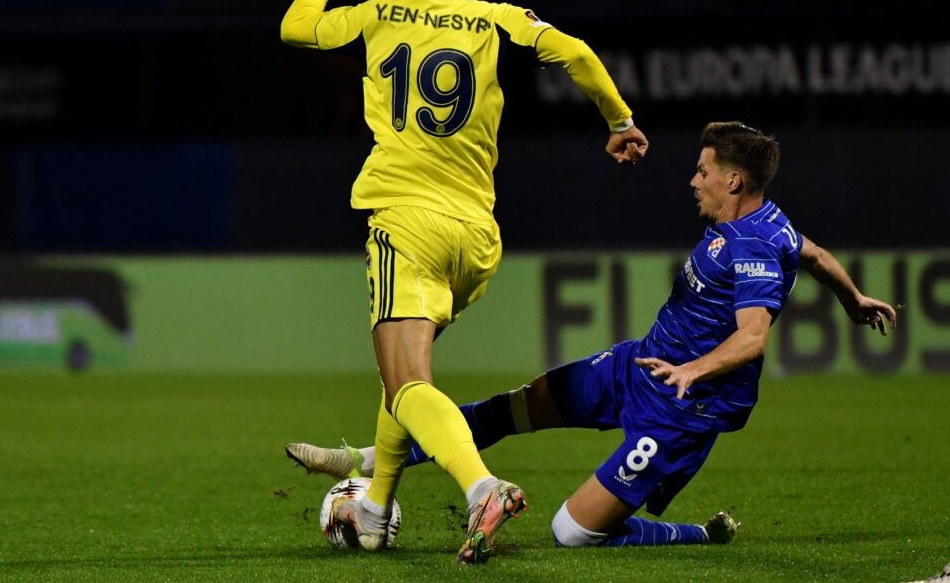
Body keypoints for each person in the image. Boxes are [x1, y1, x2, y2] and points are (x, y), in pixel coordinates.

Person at [287, 121, 898, 550]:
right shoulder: (773, 224)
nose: (693, 179)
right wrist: (854, 300)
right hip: (637, 366)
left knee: (571, 532)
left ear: (733, 181)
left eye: (703, 170)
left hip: (682, 410)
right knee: (511, 410)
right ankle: (367, 457)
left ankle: (698, 535)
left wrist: (691, 371)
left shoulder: (756, 243)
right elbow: (813, 254)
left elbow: (753, 339)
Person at [280, 0, 648, 563]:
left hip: (407, 222)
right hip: (476, 239)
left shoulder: (378, 13)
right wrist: (619, 121)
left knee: (407, 383)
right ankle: (373, 507)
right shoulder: (492, 18)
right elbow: (577, 54)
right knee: (405, 379)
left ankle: (482, 489)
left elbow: (296, 25)